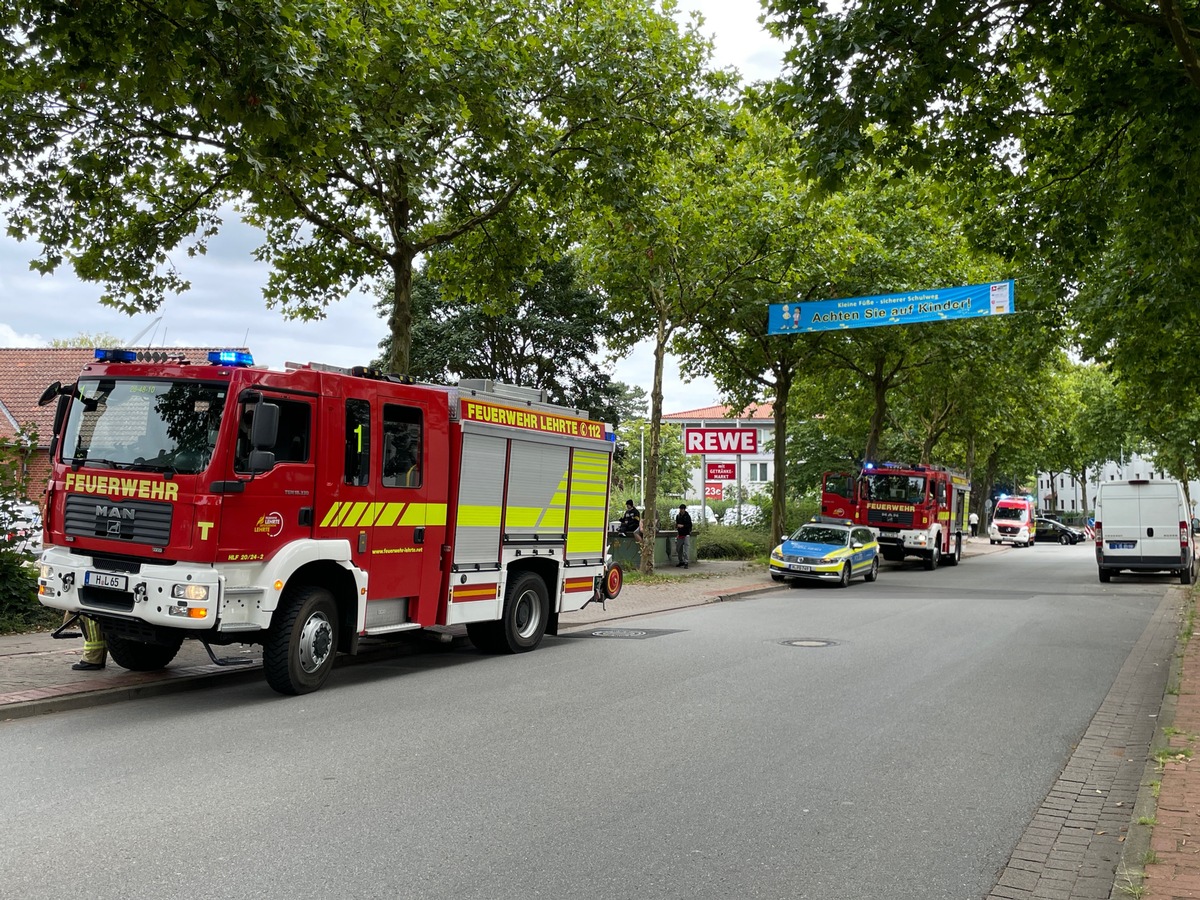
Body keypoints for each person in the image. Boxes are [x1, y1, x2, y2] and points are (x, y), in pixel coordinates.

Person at [674, 503, 693, 568]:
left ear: (684, 509)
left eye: (682, 509)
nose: (681, 510)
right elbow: (676, 524)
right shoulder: (678, 516)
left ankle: (686, 562)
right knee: (678, 549)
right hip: (680, 534)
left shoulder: (687, 516)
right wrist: (677, 526)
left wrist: (683, 526)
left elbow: (690, 525)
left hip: (686, 534)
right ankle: (680, 561)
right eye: (680, 509)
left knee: (686, 549)